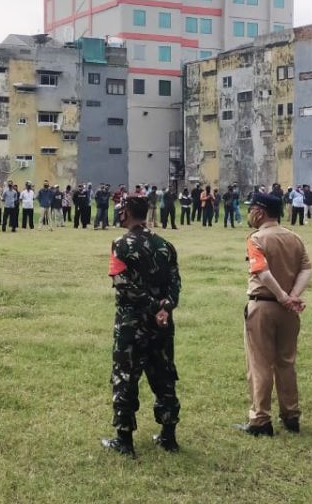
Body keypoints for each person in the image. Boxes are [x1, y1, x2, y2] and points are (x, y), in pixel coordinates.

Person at [101, 196, 181, 457]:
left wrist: (150, 305)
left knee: (125, 377)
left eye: (120, 210)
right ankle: (168, 436)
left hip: (131, 323)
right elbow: (175, 285)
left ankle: (124, 440)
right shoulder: (165, 245)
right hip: (162, 324)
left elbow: (123, 283)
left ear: (125, 213)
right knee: (164, 377)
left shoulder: (120, 244)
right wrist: (164, 307)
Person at [238, 192, 312, 436]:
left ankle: (260, 420)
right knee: (286, 362)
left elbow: (262, 271)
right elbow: (306, 268)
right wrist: (293, 296)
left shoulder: (257, 238)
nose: (249, 213)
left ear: (260, 211)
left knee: (260, 364)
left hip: (264, 304)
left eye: (252, 209)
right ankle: (291, 415)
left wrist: (281, 295)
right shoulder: (294, 237)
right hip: (289, 310)